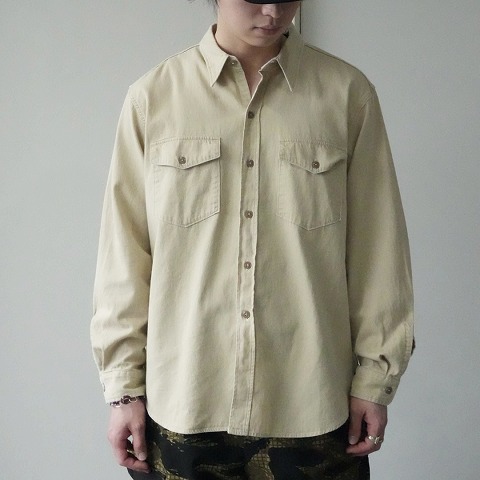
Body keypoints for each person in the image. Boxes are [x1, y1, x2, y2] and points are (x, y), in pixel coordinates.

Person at [91, 1, 414, 478]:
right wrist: (123, 389)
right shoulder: (153, 98)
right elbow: (124, 255)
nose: (273, 10)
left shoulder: (347, 95)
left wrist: (375, 377)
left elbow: (378, 251)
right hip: (184, 402)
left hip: (311, 404)